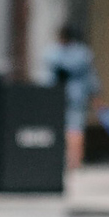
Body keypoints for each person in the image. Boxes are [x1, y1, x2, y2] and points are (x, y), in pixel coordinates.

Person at [38, 23, 100, 172]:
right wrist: (96, 95)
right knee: (75, 128)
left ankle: (63, 159)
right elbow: (90, 77)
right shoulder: (82, 53)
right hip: (77, 94)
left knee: (61, 128)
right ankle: (75, 160)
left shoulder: (52, 52)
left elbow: (47, 76)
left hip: (56, 95)